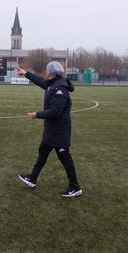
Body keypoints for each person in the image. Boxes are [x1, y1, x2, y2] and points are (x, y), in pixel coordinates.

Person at [17, 61, 82, 198]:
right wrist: (26, 74)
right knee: (42, 153)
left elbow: (55, 112)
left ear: (51, 72)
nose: (45, 73)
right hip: (51, 131)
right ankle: (32, 178)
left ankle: (75, 187)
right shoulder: (53, 84)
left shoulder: (60, 89)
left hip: (59, 132)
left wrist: (37, 115)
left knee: (65, 158)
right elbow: (41, 82)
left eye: (47, 70)